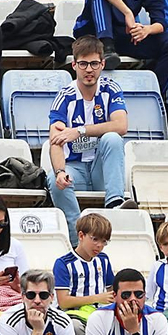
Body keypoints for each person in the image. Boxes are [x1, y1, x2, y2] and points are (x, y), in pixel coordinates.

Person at [46, 36, 131, 234]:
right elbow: (55, 141)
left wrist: (80, 130)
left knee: (112, 138)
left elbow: (121, 125)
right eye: (83, 64)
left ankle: (115, 206)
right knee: (54, 180)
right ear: (74, 65)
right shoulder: (64, 97)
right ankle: (78, 236)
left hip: (101, 168)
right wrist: (60, 172)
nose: (89, 70)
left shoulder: (111, 89)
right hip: (76, 168)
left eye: (94, 63)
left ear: (102, 64)